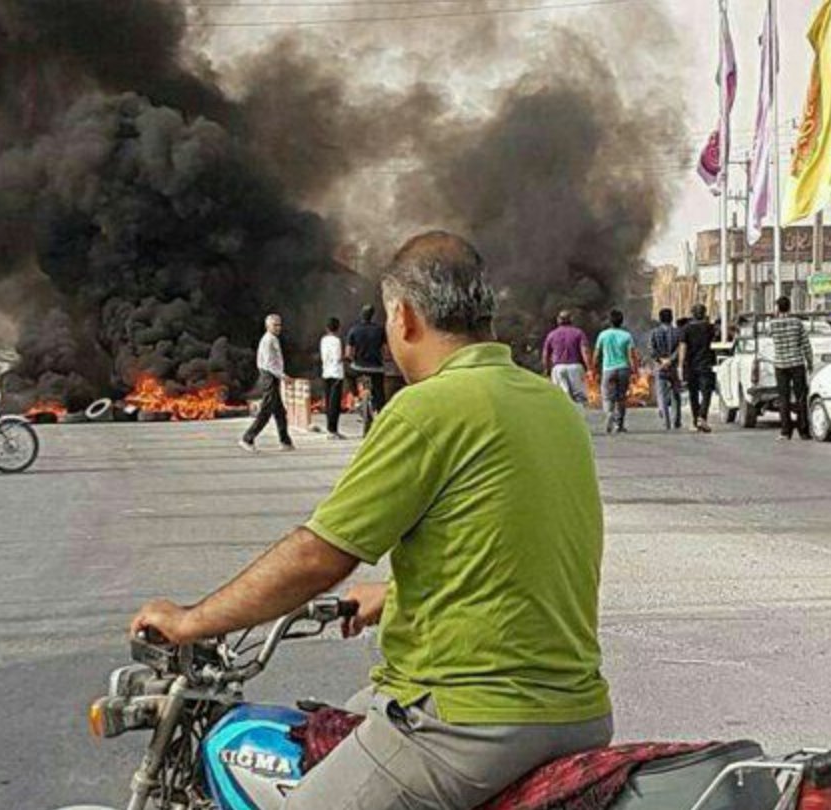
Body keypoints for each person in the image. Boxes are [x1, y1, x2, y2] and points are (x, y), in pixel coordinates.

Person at [132, 231, 613, 810]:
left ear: (403, 316)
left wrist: (191, 621)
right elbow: (515, 541)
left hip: (468, 723)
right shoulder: (550, 404)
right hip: (576, 711)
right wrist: (394, 593)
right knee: (349, 717)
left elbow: (318, 556)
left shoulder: (427, 408)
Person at [239, 314, 294, 453]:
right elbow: (269, 364)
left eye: (279, 324)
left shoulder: (273, 339)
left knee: (280, 412)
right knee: (266, 410)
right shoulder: (268, 340)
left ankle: (285, 441)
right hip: (269, 376)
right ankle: (247, 438)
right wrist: (283, 376)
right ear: (267, 326)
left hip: (272, 376)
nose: (278, 327)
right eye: (275, 325)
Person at [767, 296, 813, 441]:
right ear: (790, 307)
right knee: (800, 397)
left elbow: (769, 334)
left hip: (780, 365)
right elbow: (805, 344)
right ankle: (803, 431)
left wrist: (776, 316)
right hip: (797, 363)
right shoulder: (797, 323)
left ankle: (785, 432)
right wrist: (810, 361)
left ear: (777, 308)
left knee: (783, 398)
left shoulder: (772, 324)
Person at [594, 309, 638, 434]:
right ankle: (620, 424)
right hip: (624, 369)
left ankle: (609, 414)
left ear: (609, 321)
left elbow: (597, 354)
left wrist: (594, 369)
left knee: (607, 397)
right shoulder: (627, 335)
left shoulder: (603, 335)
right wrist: (635, 371)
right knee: (621, 398)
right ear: (621, 321)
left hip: (608, 369)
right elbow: (631, 355)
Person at [678, 304, 718, 434]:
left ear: (692, 314)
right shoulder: (709, 327)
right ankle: (702, 417)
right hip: (706, 364)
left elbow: (683, 347)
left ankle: (696, 421)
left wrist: (680, 365)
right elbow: (716, 340)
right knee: (707, 393)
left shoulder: (686, 329)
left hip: (691, 366)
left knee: (693, 394)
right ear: (704, 313)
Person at [541, 309, 592, 406]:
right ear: (571, 319)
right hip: (575, 367)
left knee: (562, 398)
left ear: (558, 320)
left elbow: (545, 355)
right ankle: (581, 418)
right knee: (580, 397)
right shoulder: (578, 333)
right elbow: (585, 351)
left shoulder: (551, 335)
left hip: (558, 368)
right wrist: (589, 368)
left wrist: (546, 369)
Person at [346, 304, 389, 418]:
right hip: (376, 368)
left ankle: (356, 397)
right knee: (379, 390)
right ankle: (380, 413)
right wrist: (385, 358)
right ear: (372, 315)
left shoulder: (354, 330)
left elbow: (348, 353)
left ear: (362, 315)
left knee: (348, 374)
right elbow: (386, 351)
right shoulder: (380, 330)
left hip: (359, 367)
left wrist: (351, 359)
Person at [649, 308, 682, 431]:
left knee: (662, 395)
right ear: (671, 318)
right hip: (673, 368)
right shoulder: (678, 332)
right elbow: (680, 349)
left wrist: (661, 361)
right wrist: (670, 360)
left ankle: (666, 423)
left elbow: (652, 349)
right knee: (675, 394)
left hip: (660, 368)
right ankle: (676, 421)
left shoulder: (654, 332)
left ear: (660, 318)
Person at [320, 317, 346, 440]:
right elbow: (338, 358)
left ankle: (329, 429)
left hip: (326, 373)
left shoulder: (323, 340)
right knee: (335, 403)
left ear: (326, 328)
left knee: (328, 402)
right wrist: (345, 357)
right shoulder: (337, 341)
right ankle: (333, 430)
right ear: (338, 328)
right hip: (336, 374)